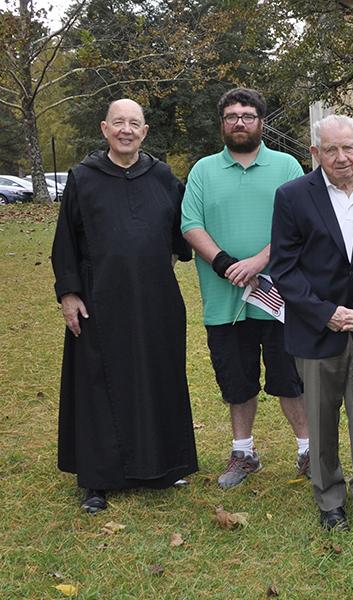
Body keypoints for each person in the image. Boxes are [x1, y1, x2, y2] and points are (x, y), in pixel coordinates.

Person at [52, 99, 198, 512]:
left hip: (155, 301)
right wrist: (69, 294)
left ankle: (164, 466)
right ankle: (98, 480)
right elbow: (64, 241)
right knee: (99, 385)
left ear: (145, 131)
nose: (126, 130)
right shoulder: (83, 178)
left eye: (134, 124)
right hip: (99, 300)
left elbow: (181, 234)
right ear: (105, 129)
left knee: (158, 376)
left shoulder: (164, 176)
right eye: (119, 123)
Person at [270, 115, 353, 530]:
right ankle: (329, 501)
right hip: (316, 330)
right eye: (331, 150)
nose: (341, 158)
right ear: (315, 153)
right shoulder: (292, 196)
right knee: (321, 421)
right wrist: (326, 313)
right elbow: (285, 269)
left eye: (348, 148)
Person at [181, 87, 309, 489]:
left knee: (289, 377)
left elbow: (300, 226)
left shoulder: (287, 166)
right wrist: (226, 264)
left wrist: (258, 262)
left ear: (261, 122)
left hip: (279, 297)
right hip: (225, 299)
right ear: (222, 123)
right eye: (232, 116)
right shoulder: (202, 171)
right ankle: (244, 452)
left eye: (248, 115)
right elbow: (190, 224)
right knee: (236, 381)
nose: (240, 122)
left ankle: (309, 452)